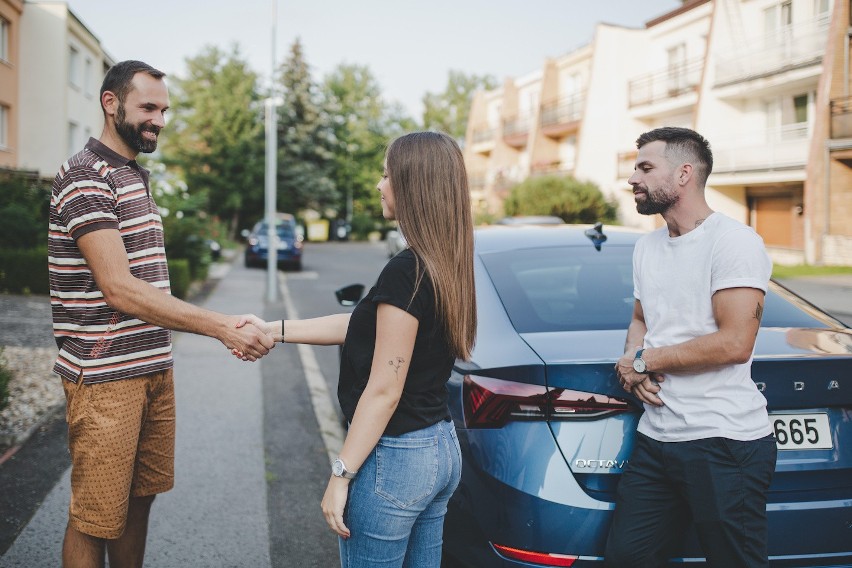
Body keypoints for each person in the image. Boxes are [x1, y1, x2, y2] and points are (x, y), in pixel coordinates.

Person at [48, 60, 275, 568]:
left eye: (164, 109)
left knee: (140, 498)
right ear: (111, 103)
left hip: (152, 368)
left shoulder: (133, 176)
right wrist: (221, 326)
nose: (160, 120)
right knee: (93, 517)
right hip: (105, 379)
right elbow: (120, 290)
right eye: (148, 107)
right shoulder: (86, 175)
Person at [238, 131, 476, 567]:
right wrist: (274, 329)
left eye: (387, 175)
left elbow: (384, 390)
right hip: (440, 449)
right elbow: (364, 326)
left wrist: (341, 473)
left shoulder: (407, 270)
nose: (379, 184)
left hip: (398, 458)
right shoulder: (445, 261)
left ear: (412, 185)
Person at [604, 127, 777, 567]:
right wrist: (631, 362)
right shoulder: (647, 246)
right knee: (628, 558)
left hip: (723, 441)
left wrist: (645, 360)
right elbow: (642, 319)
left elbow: (736, 342)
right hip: (657, 438)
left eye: (645, 167)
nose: (633, 178)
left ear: (683, 174)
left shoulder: (733, 242)